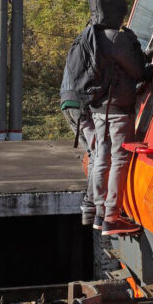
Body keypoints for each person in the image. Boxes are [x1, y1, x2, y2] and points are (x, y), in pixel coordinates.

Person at [86, 0, 148, 236]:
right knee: (120, 158)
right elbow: (137, 71)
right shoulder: (116, 38)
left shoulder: (91, 36)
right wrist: (137, 47)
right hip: (118, 106)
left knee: (102, 157)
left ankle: (101, 213)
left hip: (98, 106)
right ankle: (113, 216)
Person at [59, 79, 97, 226]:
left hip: (66, 102)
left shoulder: (75, 56)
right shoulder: (97, 55)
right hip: (82, 106)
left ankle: (91, 200)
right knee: (98, 155)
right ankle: (90, 202)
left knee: (92, 153)